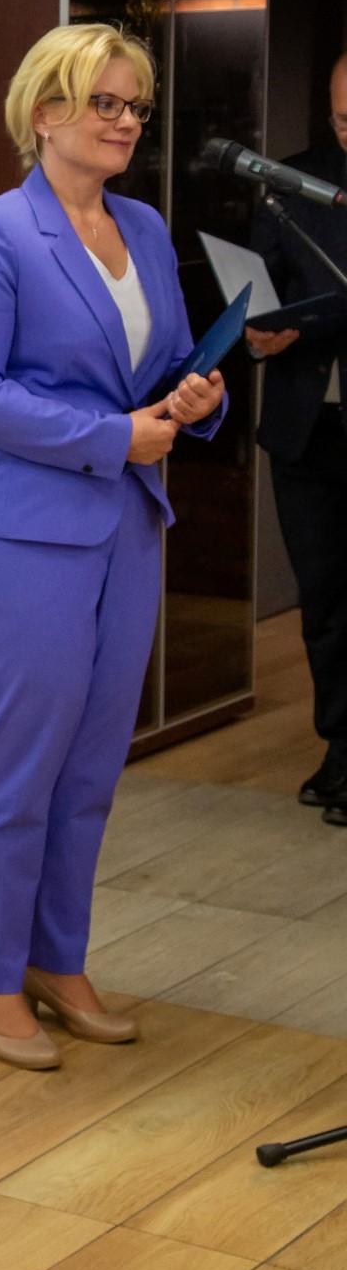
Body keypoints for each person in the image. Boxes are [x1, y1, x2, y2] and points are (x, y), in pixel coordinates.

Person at [0, 23, 226, 1072]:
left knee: (91, 767)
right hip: (15, 540)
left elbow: (164, 365)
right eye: (105, 102)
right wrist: (111, 436)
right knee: (17, 769)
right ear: (45, 110)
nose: (126, 122)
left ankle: (57, 961)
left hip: (125, 530)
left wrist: (194, 396)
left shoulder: (142, 225)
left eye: (136, 106)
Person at [245, 55, 347, 823]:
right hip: (308, 428)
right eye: (343, 119)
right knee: (325, 602)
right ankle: (341, 748)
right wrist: (259, 333)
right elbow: (260, 289)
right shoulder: (290, 182)